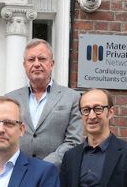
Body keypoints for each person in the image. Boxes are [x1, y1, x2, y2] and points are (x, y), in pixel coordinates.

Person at [6, 39, 83, 167]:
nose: (36, 64)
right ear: (24, 65)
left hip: (55, 174)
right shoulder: (11, 99)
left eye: (42, 59)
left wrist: (44, 166)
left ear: (52, 64)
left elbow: (74, 141)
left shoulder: (72, 98)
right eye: (31, 60)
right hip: (17, 173)